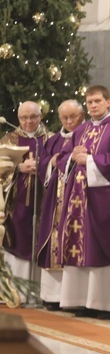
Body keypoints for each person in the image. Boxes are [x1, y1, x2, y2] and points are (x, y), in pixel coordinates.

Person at [54, 86, 110, 319]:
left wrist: (91, 159)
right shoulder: (81, 129)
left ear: (108, 101)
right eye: (90, 101)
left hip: (102, 196)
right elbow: (63, 157)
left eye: (97, 101)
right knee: (77, 244)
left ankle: (104, 303)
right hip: (77, 195)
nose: (93, 105)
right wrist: (73, 158)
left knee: (99, 244)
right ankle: (79, 300)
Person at [37, 99, 85, 310]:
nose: (68, 121)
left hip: (76, 199)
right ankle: (51, 295)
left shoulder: (85, 135)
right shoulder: (54, 140)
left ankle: (71, 296)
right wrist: (51, 163)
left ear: (81, 116)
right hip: (55, 200)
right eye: (64, 117)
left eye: (72, 116)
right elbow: (43, 165)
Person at [0, 101, 50, 285]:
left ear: (40, 116)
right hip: (16, 203)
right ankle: (16, 290)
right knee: (15, 240)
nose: (28, 121)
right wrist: (19, 168)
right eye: (23, 117)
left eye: (32, 117)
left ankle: (39, 290)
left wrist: (44, 167)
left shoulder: (51, 139)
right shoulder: (8, 140)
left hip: (44, 202)